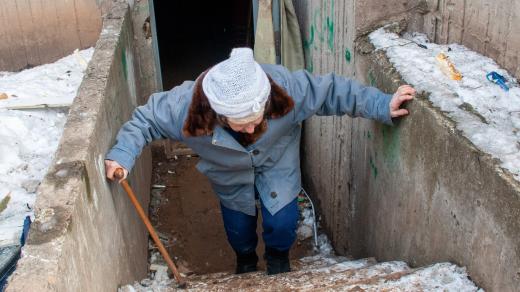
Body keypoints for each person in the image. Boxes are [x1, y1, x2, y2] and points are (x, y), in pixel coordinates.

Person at [105, 47, 415, 275]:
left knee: (282, 223)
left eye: (258, 119)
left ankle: (278, 258)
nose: (252, 128)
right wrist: (121, 155)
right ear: (220, 114)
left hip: (277, 161)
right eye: (243, 124)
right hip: (228, 174)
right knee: (238, 228)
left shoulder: (286, 89)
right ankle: (246, 262)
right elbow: (145, 119)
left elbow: (333, 91)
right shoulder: (185, 107)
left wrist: (380, 104)